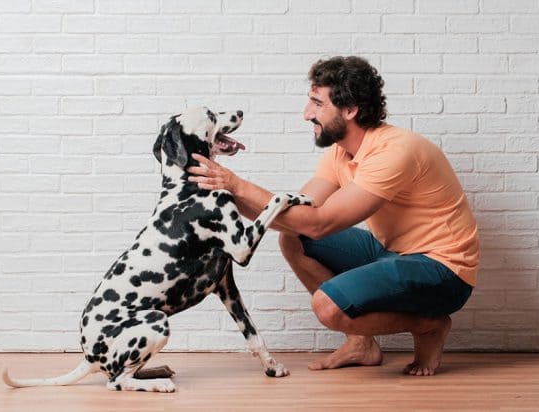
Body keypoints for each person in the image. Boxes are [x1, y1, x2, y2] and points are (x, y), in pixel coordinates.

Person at [187, 56, 479, 376]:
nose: (306, 114)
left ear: (350, 110)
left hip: (442, 269)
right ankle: (361, 343)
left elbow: (320, 223)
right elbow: (296, 215)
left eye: (317, 103)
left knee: (328, 307)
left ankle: (429, 326)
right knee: (293, 238)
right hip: (392, 253)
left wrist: (236, 184)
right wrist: (227, 191)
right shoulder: (341, 151)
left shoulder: (394, 151)